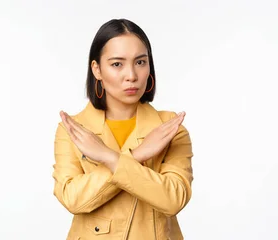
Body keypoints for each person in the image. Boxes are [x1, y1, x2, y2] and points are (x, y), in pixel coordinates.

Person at [52, 18, 194, 240]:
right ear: (97, 69)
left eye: (140, 62)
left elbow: (174, 199)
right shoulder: (73, 129)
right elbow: (73, 199)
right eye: (117, 64)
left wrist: (109, 158)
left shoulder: (169, 128)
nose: (132, 76)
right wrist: (137, 155)